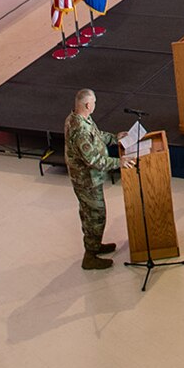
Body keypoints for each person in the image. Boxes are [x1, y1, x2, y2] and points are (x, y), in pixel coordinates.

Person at [65, 87, 120, 269]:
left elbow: (96, 136)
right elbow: (93, 160)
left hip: (90, 180)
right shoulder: (79, 129)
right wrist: (120, 162)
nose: (95, 105)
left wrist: (114, 138)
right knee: (95, 217)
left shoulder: (80, 119)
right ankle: (90, 256)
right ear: (88, 104)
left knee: (93, 215)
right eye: (94, 102)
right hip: (86, 181)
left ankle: (95, 245)